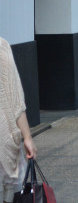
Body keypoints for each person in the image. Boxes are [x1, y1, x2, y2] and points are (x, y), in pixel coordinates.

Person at [1, 37, 37, 203]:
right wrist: (27, 137)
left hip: (5, 144)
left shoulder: (2, 47)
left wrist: (28, 137)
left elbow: (15, 100)